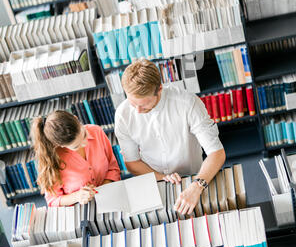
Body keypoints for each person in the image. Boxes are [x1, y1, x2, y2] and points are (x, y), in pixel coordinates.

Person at [115, 59, 226, 216]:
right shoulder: (123, 114)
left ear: (159, 89)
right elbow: (132, 163)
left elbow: (216, 153)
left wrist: (197, 185)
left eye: (144, 105)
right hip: (154, 181)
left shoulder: (188, 103)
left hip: (195, 177)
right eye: (133, 104)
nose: (138, 111)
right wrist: (162, 178)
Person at [31, 110, 120, 206]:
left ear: (76, 118)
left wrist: (102, 188)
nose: (85, 143)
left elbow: (113, 168)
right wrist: (77, 196)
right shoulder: (53, 159)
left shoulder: (96, 131)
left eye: (85, 135)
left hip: (111, 196)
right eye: (76, 146)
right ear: (58, 145)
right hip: (80, 209)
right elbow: (53, 201)